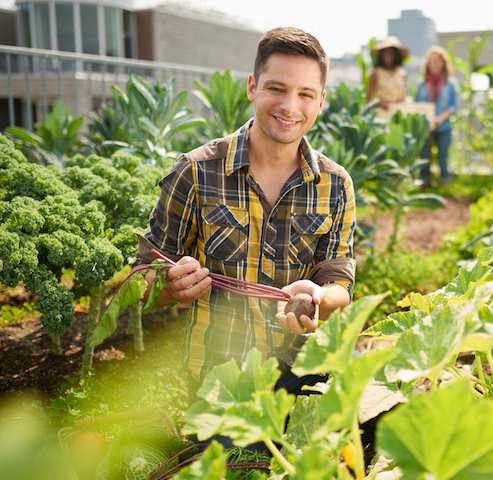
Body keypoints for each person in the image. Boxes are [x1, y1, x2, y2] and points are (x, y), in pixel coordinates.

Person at [134, 27, 356, 406]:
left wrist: (319, 295)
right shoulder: (196, 172)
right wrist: (168, 287)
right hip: (218, 378)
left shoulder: (334, 184)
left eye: (305, 94)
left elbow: (339, 281)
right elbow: (140, 276)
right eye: (277, 88)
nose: (290, 106)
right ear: (253, 87)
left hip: (304, 372)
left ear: (321, 101)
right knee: (235, 463)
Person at [415, 46, 458, 187]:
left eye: (438, 61)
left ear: (443, 63)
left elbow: (452, 106)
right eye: (432, 61)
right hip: (425, 126)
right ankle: (424, 182)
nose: (435, 64)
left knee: (442, 156)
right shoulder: (422, 84)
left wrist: (439, 119)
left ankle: (445, 182)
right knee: (424, 156)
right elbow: (418, 105)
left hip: (443, 126)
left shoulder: (450, 84)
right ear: (428, 63)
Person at [367, 36, 409, 112]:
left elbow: (403, 97)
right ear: (381, 55)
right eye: (385, 52)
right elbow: (369, 101)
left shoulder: (402, 73)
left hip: (398, 113)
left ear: (396, 55)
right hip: (381, 114)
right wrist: (379, 102)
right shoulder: (376, 73)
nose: (388, 55)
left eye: (391, 52)